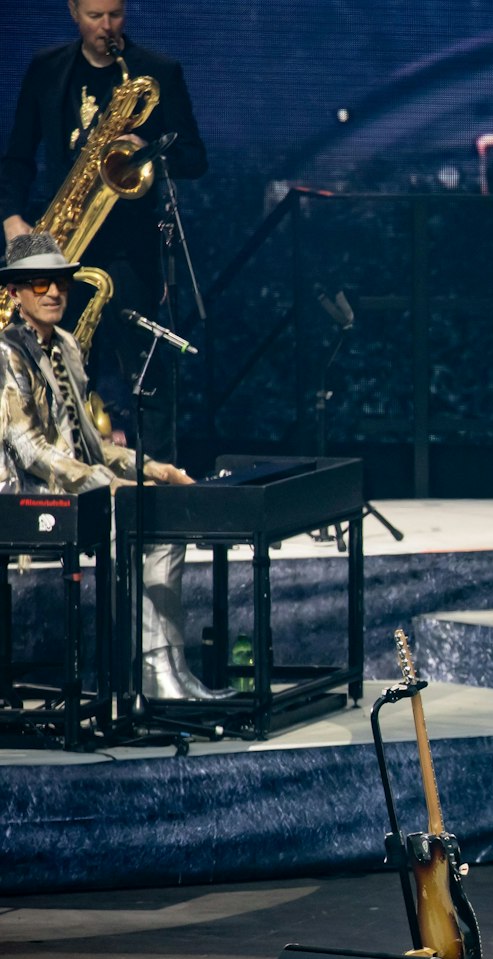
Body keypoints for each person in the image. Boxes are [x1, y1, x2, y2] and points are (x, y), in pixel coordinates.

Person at [1, 231, 225, 701]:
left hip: (78, 484)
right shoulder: (6, 354)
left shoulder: (66, 345)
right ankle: (142, 674)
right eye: (39, 285)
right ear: (16, 294)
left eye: (60, 282)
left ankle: (166, 665)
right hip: (27, 492)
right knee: (128, 520)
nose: (54, 293)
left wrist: (153, 467)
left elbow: (91, 441)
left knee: (164, 517)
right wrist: (108, 484)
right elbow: (30, 448)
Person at [0, 0, 208, 458]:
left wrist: (149, 149)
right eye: (95, 16)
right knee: (59, 373)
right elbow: (17, 156)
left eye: (115, 14)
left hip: (131, 251)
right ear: (73, 11)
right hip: (63, 245)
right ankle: (66, 493)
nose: (107, 27)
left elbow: (195, 158)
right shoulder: (46, 69)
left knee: (147, 376)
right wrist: (12, 217)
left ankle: (158, 502)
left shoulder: (156, 72)